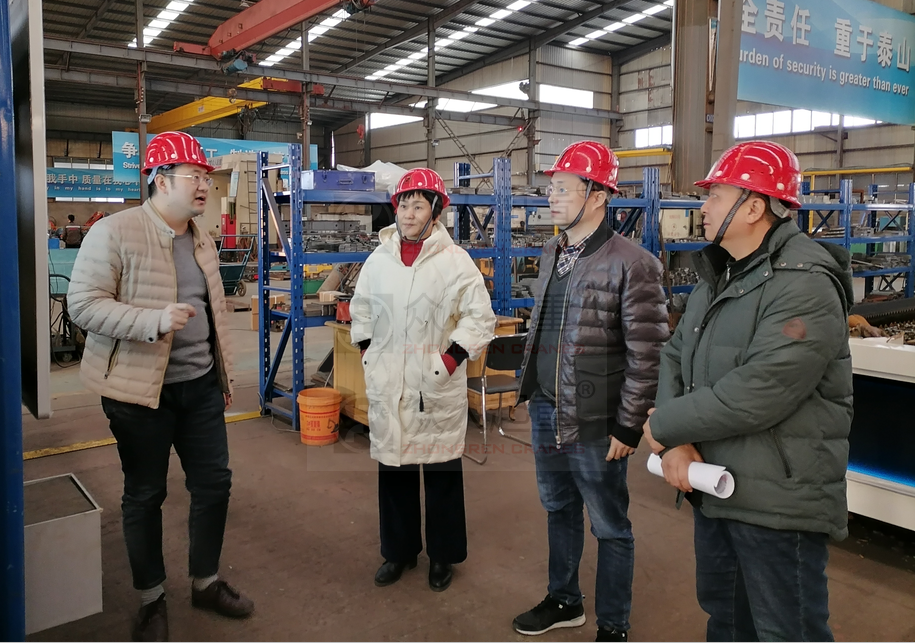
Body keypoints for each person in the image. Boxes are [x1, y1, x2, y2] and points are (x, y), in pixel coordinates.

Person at [642, 140, 853, 642]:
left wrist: (663, 426)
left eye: (715, 196)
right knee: (727, 621)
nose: (703, 206)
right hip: (715, 484)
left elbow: (759, 391)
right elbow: (674, 357)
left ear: (754, 207)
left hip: (776, 501)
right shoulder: (719, 277)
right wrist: (675, 443)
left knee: (786, 630)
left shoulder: (805, 283)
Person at [67, 131, 253, 642]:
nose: (204, 186)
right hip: (138, 395)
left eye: (205, 177)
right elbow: (82, 305)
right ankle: (151, 599)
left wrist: (223, 375)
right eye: (194, 176)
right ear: (160, 180)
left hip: (200, 388)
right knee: (145, 494)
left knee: (213, 485)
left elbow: (214, 313)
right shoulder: (114, 232)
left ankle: (206, 582)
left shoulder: (202, 237)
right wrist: (151, 320)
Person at [512, 141, 669, 642]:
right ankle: (564, 600)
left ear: (598, 195)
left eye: (564, 188)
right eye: (551, 188)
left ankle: (614, 625)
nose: (552, 197)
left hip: (596, 414)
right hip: (547, 405)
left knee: (609, 523)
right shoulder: (553, 251)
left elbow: (648, 353)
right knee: (558, 507)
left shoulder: (634, 263)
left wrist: (629, 423)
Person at [349, 167, 496, 593]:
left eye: (417, 206)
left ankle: (443, 557)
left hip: (434, 383)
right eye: (403, 206)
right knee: (394, 469)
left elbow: (479, 316)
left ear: (435, 211)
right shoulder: (379, 260)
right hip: (390, 383)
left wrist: (449, 360)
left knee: (441, 472)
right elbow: (361, 309)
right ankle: (399, 552)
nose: (408, 214)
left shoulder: (455, 261)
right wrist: (368, 351)